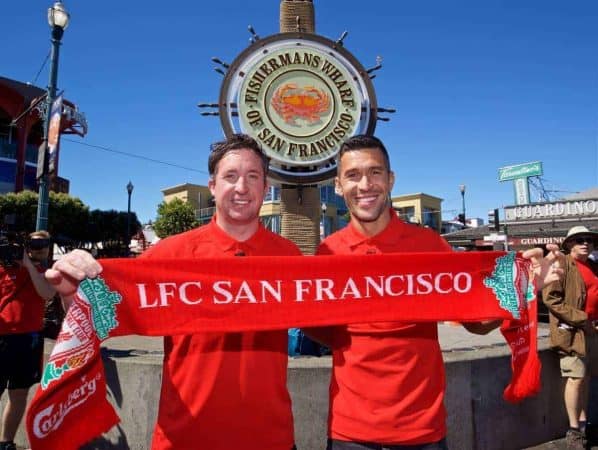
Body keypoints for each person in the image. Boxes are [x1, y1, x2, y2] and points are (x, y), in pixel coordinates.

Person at [305, 135, 563, 450]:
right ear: (338, 185)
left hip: (421, 430)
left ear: (391, 179)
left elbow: (476, 323)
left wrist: (521, 289)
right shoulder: (328, 252)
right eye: (353, 175)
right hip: (350, 431)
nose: (365, 184)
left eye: (375, 172)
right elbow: (315, 328)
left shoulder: (429, 246)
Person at [45, 134, 301, 450]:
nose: (241, 187)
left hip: (270, 440)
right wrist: (72, 293)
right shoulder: (168, 256)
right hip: (184, 439)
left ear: (265, 186)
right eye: (230, 176)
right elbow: (97, 319)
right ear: (212, 186)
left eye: (253, 177)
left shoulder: (291, 258)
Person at [542, 225, 598, 450]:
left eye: (589, 240)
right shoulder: (562, 263)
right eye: (578, 240)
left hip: (592, 331)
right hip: (572, 332)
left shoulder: (593, 266)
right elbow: (551, 298)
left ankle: (583, 426)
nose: (585, 243)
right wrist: (581, 318)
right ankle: (574, 431)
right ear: (568, 244)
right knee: (575, 379)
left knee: (585, 379)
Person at [0, 231, 56, 450]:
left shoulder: (44, 272)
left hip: (28, 339)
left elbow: (47, 294)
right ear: (26, 245)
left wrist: (28, 265)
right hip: (2, 337)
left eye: (43, 244)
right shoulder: (3, 270)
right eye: (34, 243)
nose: (39, 247)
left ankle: (6, 443)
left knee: (19, 393)